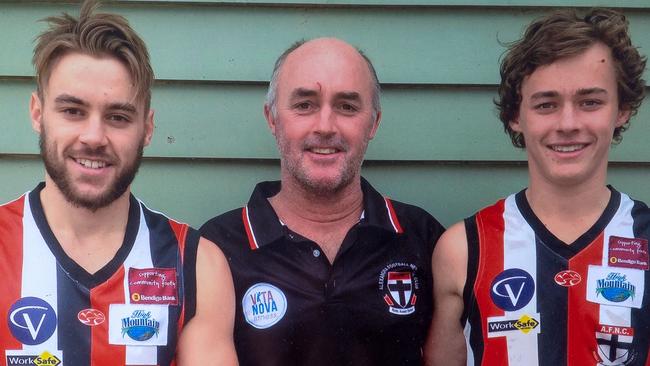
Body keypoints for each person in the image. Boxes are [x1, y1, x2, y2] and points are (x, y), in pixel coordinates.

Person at [0, 1, 237, 365]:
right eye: (73, 111)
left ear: (148, 128)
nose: (94, 137)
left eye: (118, 116)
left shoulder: (197, 264)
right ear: (37, 113)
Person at [424, 8, 648, 366]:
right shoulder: (462, 250)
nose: (568, 123)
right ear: (516, 116)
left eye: (590, 102)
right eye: (546, 104)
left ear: (621, 109)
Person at [200, 37, 444, 366]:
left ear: (373, 122)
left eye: (347, 106)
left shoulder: (423, 239)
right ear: (272, 118)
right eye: (305, 105)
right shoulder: (215, 248)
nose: (325, 126)